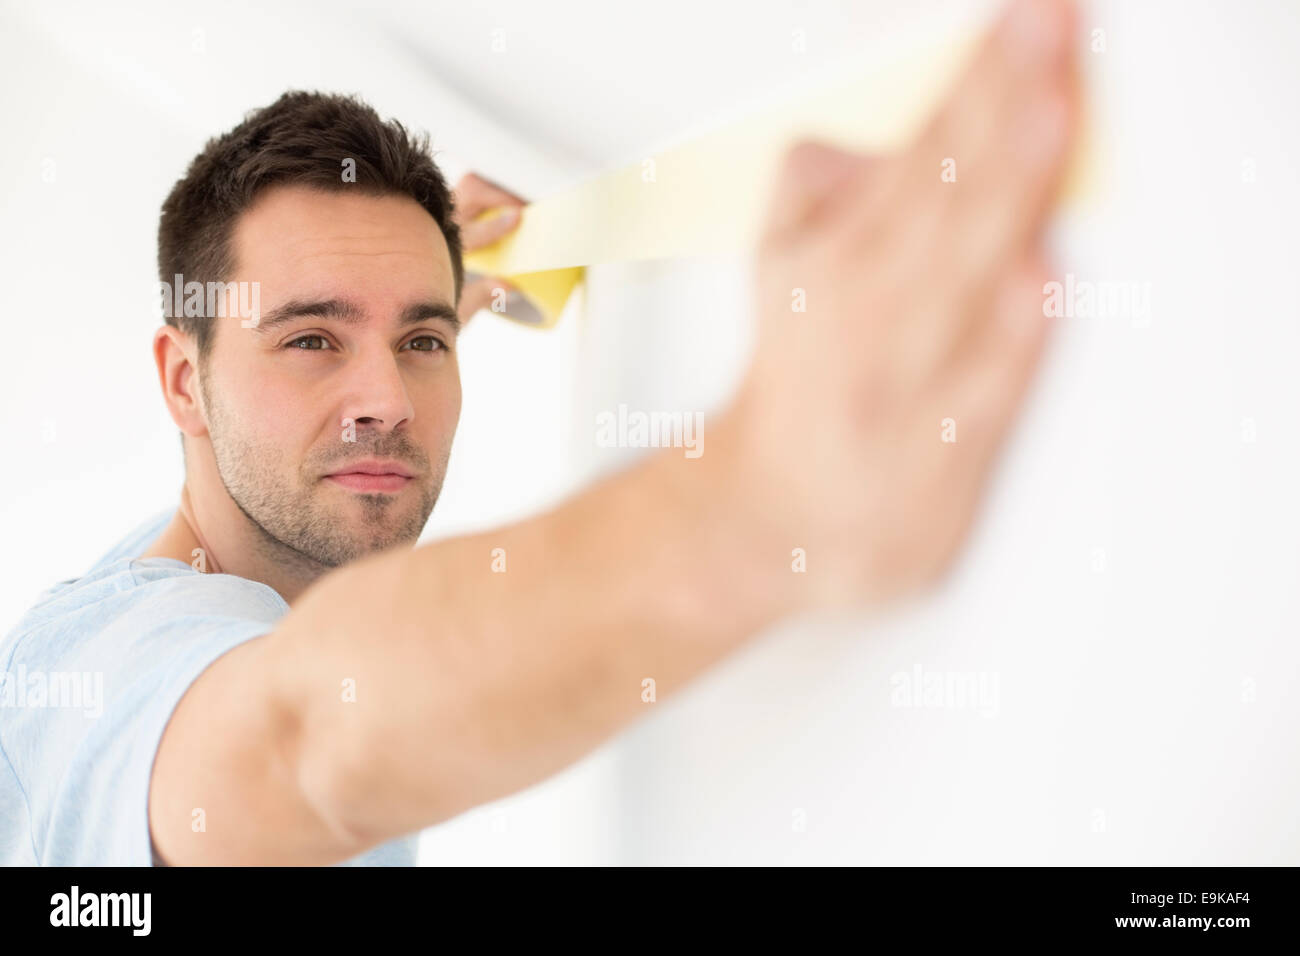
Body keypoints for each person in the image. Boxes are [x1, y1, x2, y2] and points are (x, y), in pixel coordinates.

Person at [0, 0, 1077, 865]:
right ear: (184, 382)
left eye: (424, 342)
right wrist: (762, 503)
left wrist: (418, 298)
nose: (388, 398)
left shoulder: (244, 544)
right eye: (309, 340)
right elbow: (299, 738)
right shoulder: (96, 670)